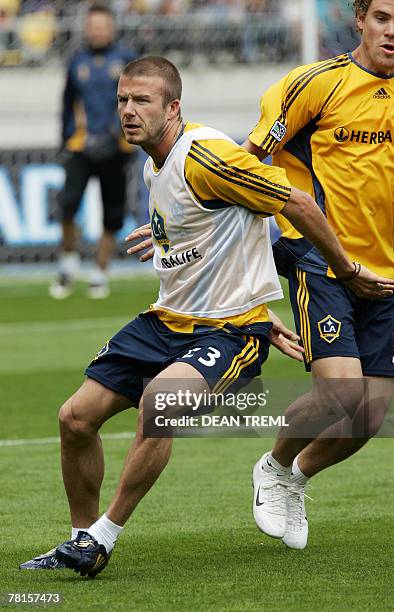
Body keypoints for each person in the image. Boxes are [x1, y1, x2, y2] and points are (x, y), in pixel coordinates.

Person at [20, 56, 393, 577]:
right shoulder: (156, 160)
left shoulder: (206, 155)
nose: (128, 111)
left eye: (142, 101)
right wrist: (170, 230)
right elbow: (231, 219)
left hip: (228, 330)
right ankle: (79, 537)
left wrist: (344, 271)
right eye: (124, 100)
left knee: (161, 403)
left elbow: (299, 204)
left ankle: (104, 536)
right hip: (165, 320)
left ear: (173, 107)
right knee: (74, 419)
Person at [242, 0, 393, 550]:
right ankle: (272, 463)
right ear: (359, 18)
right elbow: (248, 162)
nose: (392, 31)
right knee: (341, 395)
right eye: (383, 16)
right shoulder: (315, 85)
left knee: (368, 419)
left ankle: (293, 478)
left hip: (389, 276)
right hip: (322, 260)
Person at [49, 3, 137, 300]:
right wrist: (65, 139)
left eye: (102, 26)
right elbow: (66, 104)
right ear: (86, 29)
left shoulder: (126, 60)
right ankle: (68, 264)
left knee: (112, 215)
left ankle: (99, 273)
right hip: (81, 147)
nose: (96, 31)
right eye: (92, 26)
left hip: (116, 148)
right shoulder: (76, 61)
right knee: (67, 205)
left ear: (111, 28)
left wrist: (127, 140)